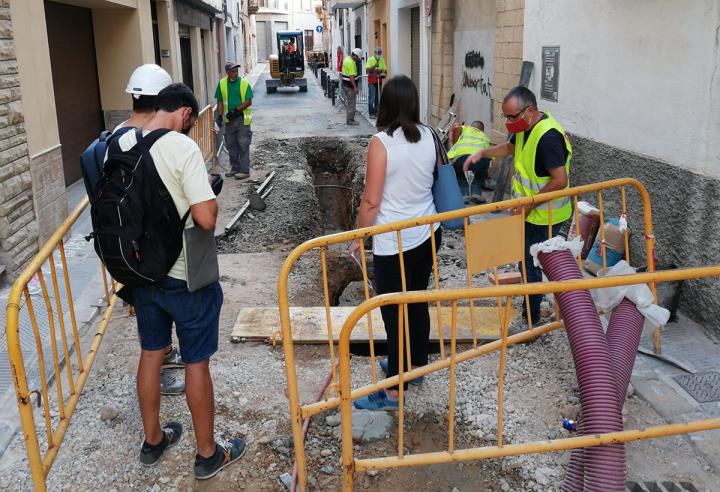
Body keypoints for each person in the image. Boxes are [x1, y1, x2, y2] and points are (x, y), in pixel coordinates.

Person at [117, 83, 245, 478]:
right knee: (196, 362)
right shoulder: (181, 147)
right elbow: (206, 219)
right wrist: (205, 193)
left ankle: (153, 441)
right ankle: (208, 454)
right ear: (186, 114)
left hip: (141, 275)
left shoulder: (120, 144)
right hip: (185, 277)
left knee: (152, 353)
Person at [350, 75, 441, 410]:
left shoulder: (381, 142)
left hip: (394, 241)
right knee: (416, 302)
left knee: (393, 313)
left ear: (385, 104)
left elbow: (371, 201)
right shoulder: (430, 135)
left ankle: (392, 392)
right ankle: (413, 368)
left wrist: (359, 236)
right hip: (427, 231)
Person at [464, 86, 572, 326]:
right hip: (530, 211)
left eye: (512, 116)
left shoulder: (548, 137)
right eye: (505, 116)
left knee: (530, 264)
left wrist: (530, 205)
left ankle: (531, 321)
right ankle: (539, 305)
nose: (508, 122)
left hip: (546, 215)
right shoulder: (525, 127)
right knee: (528, 261)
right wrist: (483, 153)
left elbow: (560, 180)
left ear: (530, 110)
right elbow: (509, 148)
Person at [215, 62, 253, 180]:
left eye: (236, 71)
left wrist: (236, 110)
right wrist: (220, 115)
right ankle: (235, 168)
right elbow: (220, 101)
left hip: (242, 118)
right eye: (232, 71)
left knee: (243, 143)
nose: (235, 73)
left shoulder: (244, 83)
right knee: (231, 144)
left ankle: (244, 170)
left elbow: (248, 101)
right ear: (227, 73)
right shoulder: (222, 84)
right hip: (229, 120)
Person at [448, 120, 492, 204]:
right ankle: (476, 193)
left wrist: (451, 135)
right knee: (479, 173)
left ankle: (464, 194)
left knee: (461, 175)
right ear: (482, 130)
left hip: (461, 159)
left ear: (471, 126)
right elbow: (489, 156)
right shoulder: (485, 137)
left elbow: (456, 126)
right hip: (479, 160)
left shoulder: (465, 128)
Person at [341, 48, 363, 126]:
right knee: (352, 103)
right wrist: (355, 87)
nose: (358, 59)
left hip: (346, 85)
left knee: (351, 103)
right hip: (350, 86)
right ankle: (350, 120)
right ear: (355, 55)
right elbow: (351, 76)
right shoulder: (350, 62)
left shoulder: (347, 59)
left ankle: (350, 119)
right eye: (358, 58)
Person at [365, 47, 387, 118]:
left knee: (378, 97)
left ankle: (376, 111)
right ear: (374, 53)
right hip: (372, 81)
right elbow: (367, 70)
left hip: (379, 81)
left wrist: (383, 73)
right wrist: (374, 66)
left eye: (380, 53)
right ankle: (371, 113)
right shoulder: (370, 59)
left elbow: (385, 70)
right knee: (372, 97)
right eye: (377, 53)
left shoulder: (382, 60)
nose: (379, 54)